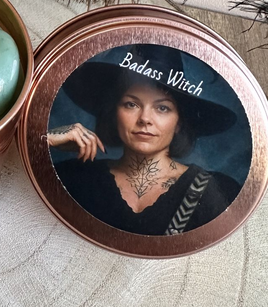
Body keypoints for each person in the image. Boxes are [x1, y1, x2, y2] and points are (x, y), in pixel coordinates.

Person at [46, 50, 242, 235]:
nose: (145, 119)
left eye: (162, 108)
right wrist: (47, 140)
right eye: (131, 104)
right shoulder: (73, 177)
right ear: (114, 114)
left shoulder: (214, 191)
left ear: (179, 123)